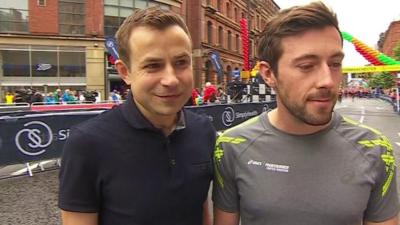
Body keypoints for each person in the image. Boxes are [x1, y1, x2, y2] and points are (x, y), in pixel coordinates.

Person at [213, 2, 399, 225]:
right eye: (306, 66)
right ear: (269, 74)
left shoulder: (376, 149)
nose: (327, 81)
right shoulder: (232, 145)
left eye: (335, 64)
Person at [59, 7, 215, 225]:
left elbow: (200, 207)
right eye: (153, 65)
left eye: (181, 62)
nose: (170, 79)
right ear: (125, 72)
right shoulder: (87, 144)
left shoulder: (203, 130)